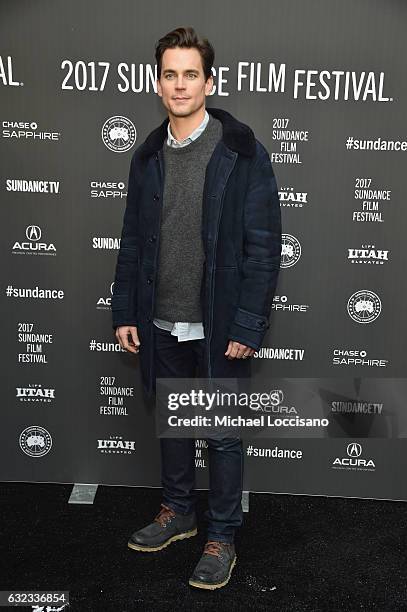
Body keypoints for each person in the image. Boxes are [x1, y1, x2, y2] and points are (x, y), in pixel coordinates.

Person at [112, 26, 282, 590]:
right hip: (160, 318)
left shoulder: (242, 152)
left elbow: (263, 247)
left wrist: (246, 324)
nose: (179, 85)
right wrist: (125, 311)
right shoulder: (147, 157)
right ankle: (180, 512)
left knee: (222, 434)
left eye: (191, 74)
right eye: (169, 74)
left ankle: (222, 535)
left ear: (209, 81)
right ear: (157, 82)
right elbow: (133, 241)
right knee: (175, 427)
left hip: (218, 326)